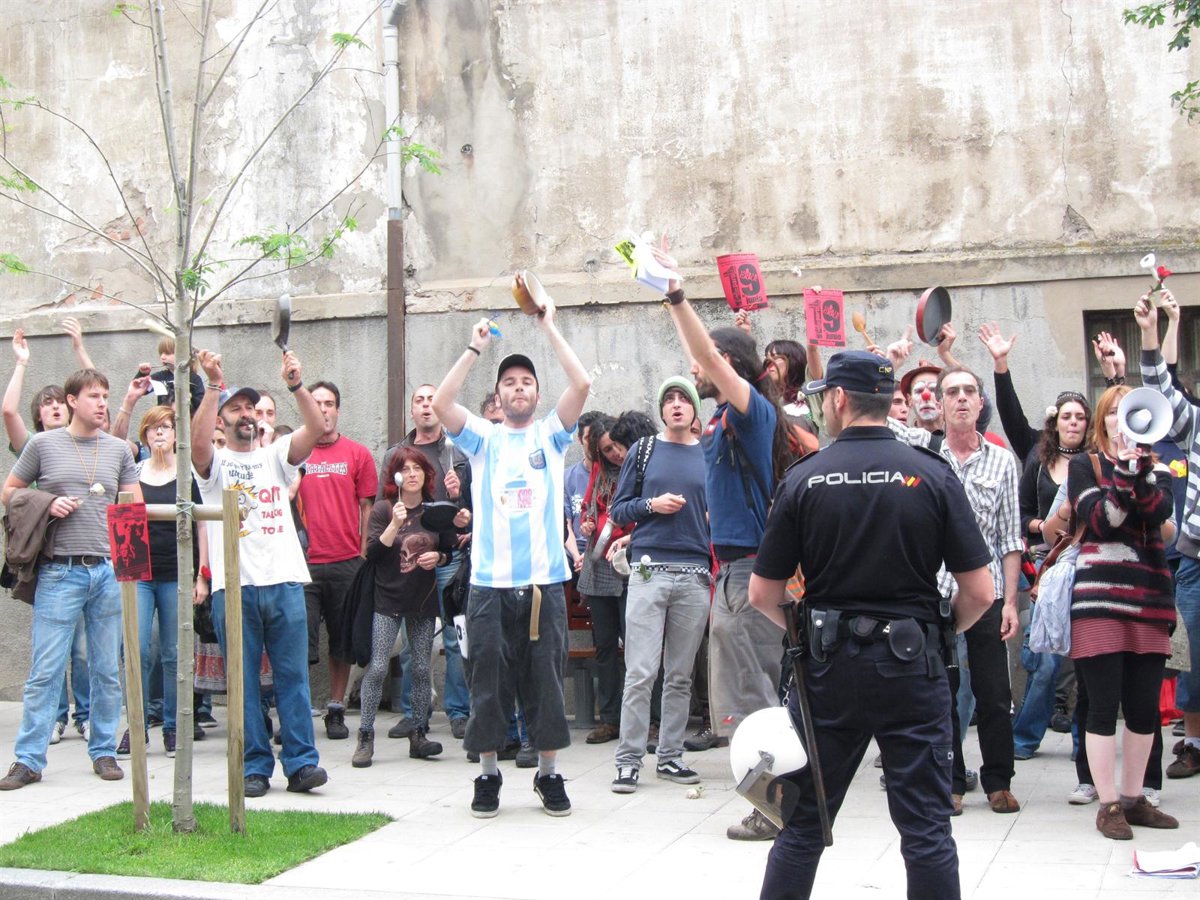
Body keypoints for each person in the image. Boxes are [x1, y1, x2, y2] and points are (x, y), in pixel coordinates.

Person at [746, 350, 993, 899]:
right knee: (926, 830)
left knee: (802, 825)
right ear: (887, 401)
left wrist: (805, 632)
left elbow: (762, 593)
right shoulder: (933, 474)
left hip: (827, 672)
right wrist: (939, 633)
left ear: (838, 399)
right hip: (914, 666)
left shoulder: (804, 479)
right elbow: (981, 592)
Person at [431, 283, 590, 819]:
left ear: (537, 395)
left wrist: (548, 324)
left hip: (543, 585)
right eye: (509, 383)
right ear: (498, 397)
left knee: (545, 682)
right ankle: (488, 775)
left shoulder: (551, 436)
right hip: (488, 587)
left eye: (527, 382)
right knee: (489, 684)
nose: (518, 389)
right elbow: (441, 404)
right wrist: (474, 348)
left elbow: (582, 383)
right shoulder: (483, 438)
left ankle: (548, 775)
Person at [654, 248, 788, 841]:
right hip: (734, 571)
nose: (694, 369)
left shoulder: (751, 412)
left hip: (748, 571)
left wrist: (675, 295)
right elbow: (715, 357)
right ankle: (778, 802)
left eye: (703, 361)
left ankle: (774, 809)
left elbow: (709, 355)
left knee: (751, 697)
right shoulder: (724, 419)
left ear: (726, 363)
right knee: (747, 693)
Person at [190, 349, 328, 798]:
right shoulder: (215, 465)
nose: (246, 414)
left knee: (293, 678)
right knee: (243, 682)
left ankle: (302, 764)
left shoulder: (275, 455)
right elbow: (196, 446)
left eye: (250, 407)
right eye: (236, 408)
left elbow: (316, 428)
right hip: (234, 588)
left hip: (284, 581)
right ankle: (254, 766)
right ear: (221, 420)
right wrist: (213, 384)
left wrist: (296, 384)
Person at [0, 368, 142, 790]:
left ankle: (104, 751)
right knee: (45, 670)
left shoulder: (117, 450)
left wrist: (130, 575)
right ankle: (28, 759)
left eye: (106, 396)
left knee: (106, 670)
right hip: (59, 571)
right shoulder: (43, 444)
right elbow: (9, 492)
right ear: (72, 401)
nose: (102, 403)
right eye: (94, 396)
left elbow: (132, 511)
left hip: (106, 572)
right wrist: (47, 501)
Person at [1060, 366, 1180, 839]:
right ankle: (1108, 803)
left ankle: (1134, 798)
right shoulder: (1084, 467)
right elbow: (1103, 519)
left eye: (1127, 413)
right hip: (1099, 603)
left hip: (1150, 602)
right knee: (1102, 705)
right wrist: (1124, 474)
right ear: (1103, 422)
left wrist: (1138, 471)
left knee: (1144, 708)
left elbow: (1158, 512)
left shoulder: (1160, 470)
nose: (1120, 421)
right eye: (1112, 413)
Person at [608, 377, 710, 792]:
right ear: (662, 409)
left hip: (696, 572)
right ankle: (628, 761)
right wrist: (652, 505)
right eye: (669, 399)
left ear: (695, 408)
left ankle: (670, 756)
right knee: (640, 672)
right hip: (650, 570)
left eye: (684, 398)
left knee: (680, 675)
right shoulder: (644, 450)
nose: (676, 404)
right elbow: (618, 510)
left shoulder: (709, 452)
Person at [352, 447, 470, 766]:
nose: (413, 473)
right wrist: (394, 524)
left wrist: (439, 557)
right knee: (378, 666)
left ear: (426, 474)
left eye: (418, 468)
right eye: (406, 469)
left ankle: (419, 733)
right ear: (396, 476)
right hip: (387, 599)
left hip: (422, 599)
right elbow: (373, 553)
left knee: (419, 667)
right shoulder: (384, 509)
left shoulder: (435, 512)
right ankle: (365, 736)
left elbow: (449, 550)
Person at [2, 329, 88, 746]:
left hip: (85, 552)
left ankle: (85, 715)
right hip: (48, 557)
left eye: (59, 401)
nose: (54, 407)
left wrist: (80, 349)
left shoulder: (88, 442)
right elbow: (8, 411)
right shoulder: (35, 446)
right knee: (52, 646)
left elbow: (96, 396)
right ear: (39, 415)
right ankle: (55, 717)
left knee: (84, 647)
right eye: (46, 403)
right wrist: (21, 362)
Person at [377, 383, 473, 740]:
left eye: (433, 399)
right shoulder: (396, 455)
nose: (427, 405)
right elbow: (385, 502)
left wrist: (459, 495)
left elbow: (471, 506)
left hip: (448, 555)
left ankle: (459, 711)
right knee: (411, 642)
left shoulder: (458, 451)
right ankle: (414, 712)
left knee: (455, 637)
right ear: (412, 410)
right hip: (409, 560)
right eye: (419, 400)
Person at [114, 404, 209, 759]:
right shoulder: (133, 472)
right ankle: (136, 727)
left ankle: (172, 728)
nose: (159, 432)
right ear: (144, 434)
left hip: (175, 573)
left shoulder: (187, 476)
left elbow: (203, 525)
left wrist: (202, 575)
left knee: (173, 653)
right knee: (136, 650)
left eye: (166, 427)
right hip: (138, 573)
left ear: (176, 434)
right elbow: (122, 521)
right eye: (153, 427)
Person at [1139, 291, 1200, 782]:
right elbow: (1160, 393)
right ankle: (1195, 743)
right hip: (1196, 559)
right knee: (1193, 654)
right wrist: (1149, 333)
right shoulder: (1197, 424)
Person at [295, 380, 377, 740]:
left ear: (338, 410)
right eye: (317, 403)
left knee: (342, 642)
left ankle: (336, 709)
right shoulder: (295, 453)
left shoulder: (357, 454)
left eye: (329, 403)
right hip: (303, 563)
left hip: (347, 562)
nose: (323, 409)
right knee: (299, 641)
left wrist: (362, 554)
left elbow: (367, 507)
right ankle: (297, 713)